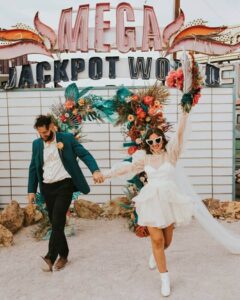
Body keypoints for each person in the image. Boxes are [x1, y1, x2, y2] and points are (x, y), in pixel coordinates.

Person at [103, 109, 240, 297]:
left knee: (166, 241)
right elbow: (127, 169)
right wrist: (106, 175)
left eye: (157, 140)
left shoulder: (171, 154)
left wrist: (184, 113)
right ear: (147, 143)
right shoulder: (144, 158)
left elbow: (180, 133)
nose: (154, 144)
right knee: (157, 240)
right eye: (150, 142)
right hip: (151, 201)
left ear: (162, 140)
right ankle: (164, 278)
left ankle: (155, 253)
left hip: (168, 202)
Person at [28, 115, 104, 272]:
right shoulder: (36, 144)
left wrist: (95, 170)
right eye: (40, 133)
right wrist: (31, 190)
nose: (43, 135)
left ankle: (50, 256)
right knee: (57, 223)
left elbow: (84, 154)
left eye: (46, 132)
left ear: (52, 126)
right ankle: (64, 255)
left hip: (65, 185)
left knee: (57, 220)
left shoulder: (67, 139)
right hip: (47, 188)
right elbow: (34, 168)